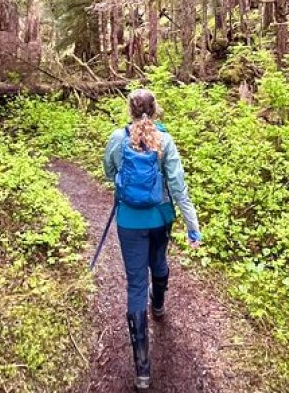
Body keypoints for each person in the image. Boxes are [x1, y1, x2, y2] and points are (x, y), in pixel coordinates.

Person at [103, 88, 202, 390]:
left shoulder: (117, 139)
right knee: (159, 262)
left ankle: (142, 369)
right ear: (155, 110)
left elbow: (109, 173)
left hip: (129, 221)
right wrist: (192, 225)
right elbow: (177, 186)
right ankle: (158, 304)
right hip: (160, 218)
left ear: (129, 111)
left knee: (135, 284)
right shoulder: (165, 141)